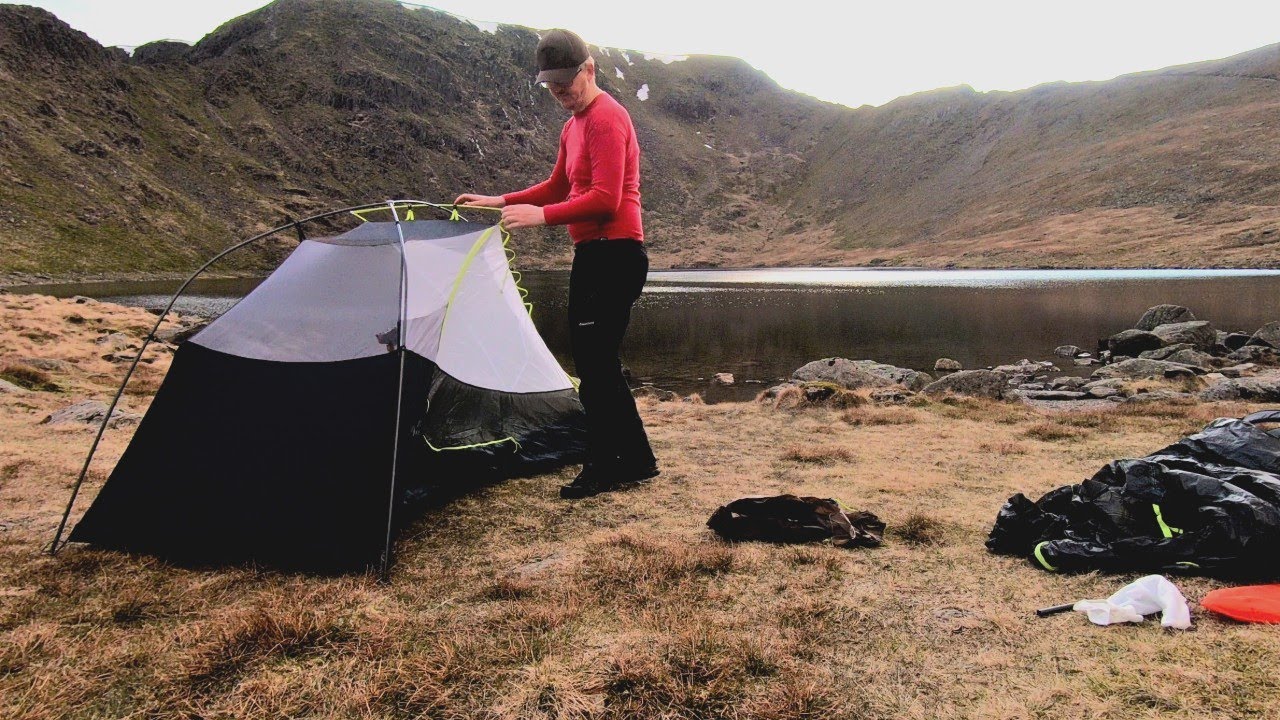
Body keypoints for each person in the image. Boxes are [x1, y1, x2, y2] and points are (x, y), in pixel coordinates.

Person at [455, 28, 657, 499]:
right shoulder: (573, 126)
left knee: (594, 362)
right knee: (598, 360)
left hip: (615, 251)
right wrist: (497, 200)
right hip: (595, 253)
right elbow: (556, 187)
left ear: (589, 69)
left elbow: (606, 199)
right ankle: (638, 459)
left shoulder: (607, 117)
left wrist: (540, 218)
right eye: (553, 87)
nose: (561, 94)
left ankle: (608, 464)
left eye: (567, 84)